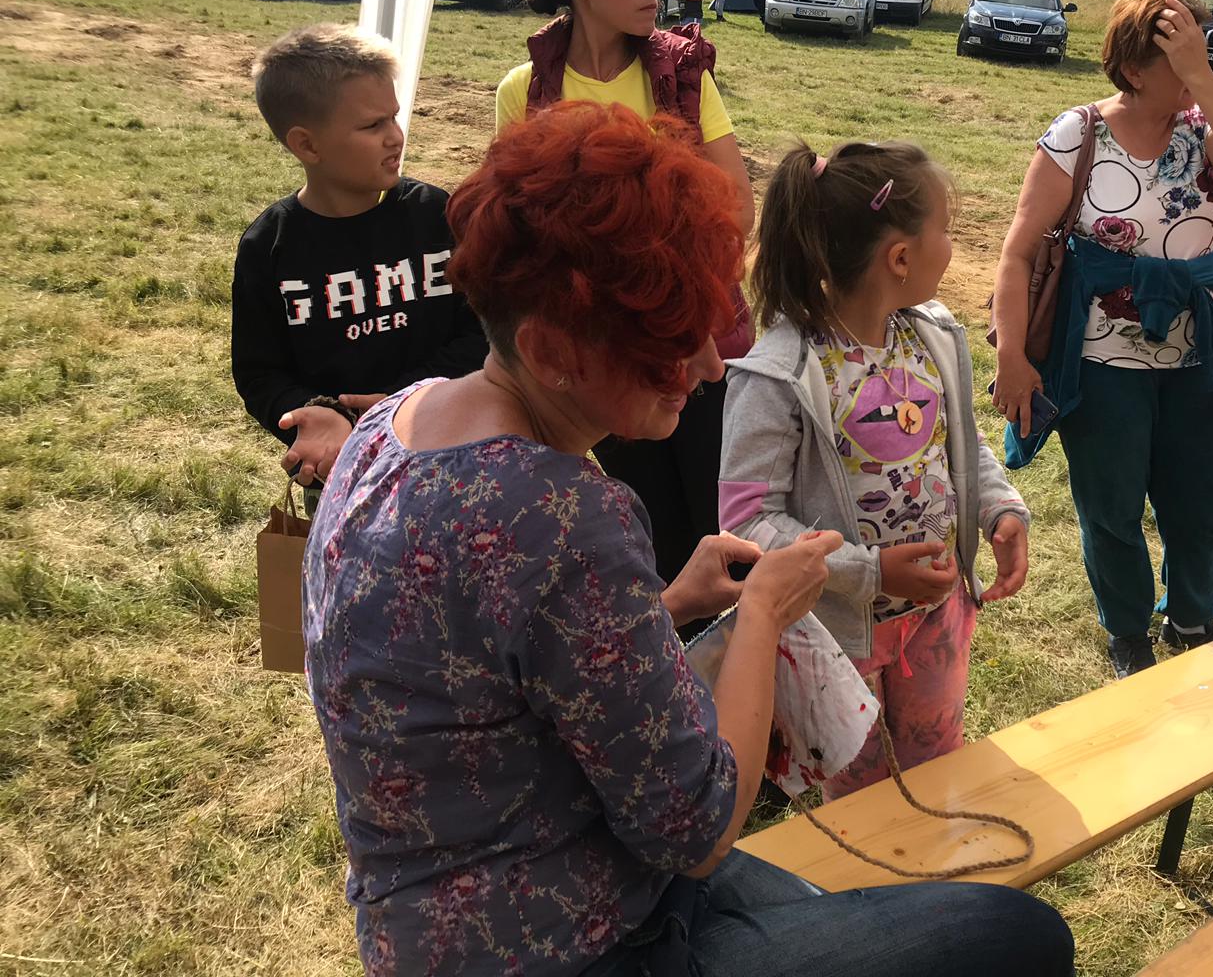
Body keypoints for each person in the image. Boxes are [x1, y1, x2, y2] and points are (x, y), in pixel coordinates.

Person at [302, 99, 1078, 976]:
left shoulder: (389, 425)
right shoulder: (563, 516)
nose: (711, 368)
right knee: (1018, 937)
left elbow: (489, 672)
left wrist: (663, 607)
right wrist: (762, 617)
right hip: (575, 942)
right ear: (554, 350)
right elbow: (699, 830)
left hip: (447, 918)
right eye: (673, 343)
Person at [720, 141, 1033, 798]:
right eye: (945, 228)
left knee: (937, 770)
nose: (952, 244)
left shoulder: (932, 338)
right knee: (859, 800)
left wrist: (999, 507)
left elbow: (961, 441)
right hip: (840, 637)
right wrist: (870, 572)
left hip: (936, 618)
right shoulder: (780, 372)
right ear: (900, 257)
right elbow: (747, 522)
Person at [990, 0, 1213, 679]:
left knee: (1202, 501)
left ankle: (1192, 616)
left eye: (1199, 53)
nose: (1195, 67)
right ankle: (1128, 631)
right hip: (1099, 360)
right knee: (1112, 508)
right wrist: (1011, 356)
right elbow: (1019, 253)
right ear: (1134, 68)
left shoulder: (1203, 126)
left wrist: (1202, 78)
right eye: (1179, 57)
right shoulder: (1078, 133)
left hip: (1198, 357)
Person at [494, 0, 756, 598]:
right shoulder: (527, 91)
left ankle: (745, 659)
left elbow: (736, 210)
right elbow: (523, 232)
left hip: (695, 339)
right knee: (648, 525)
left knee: (726, 521)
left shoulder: (682, 75)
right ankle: (671, 651)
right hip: (601, 353)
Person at [232, 24, 487, 507]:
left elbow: (483, 334)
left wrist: (394, 404)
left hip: (453, 454)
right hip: (346, 471)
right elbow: (260, 372)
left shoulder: (438, 216)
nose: (396, 136)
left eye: (394, 117)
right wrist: (315, 415)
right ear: (307, 145)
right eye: (372, 126)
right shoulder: (270, 246)